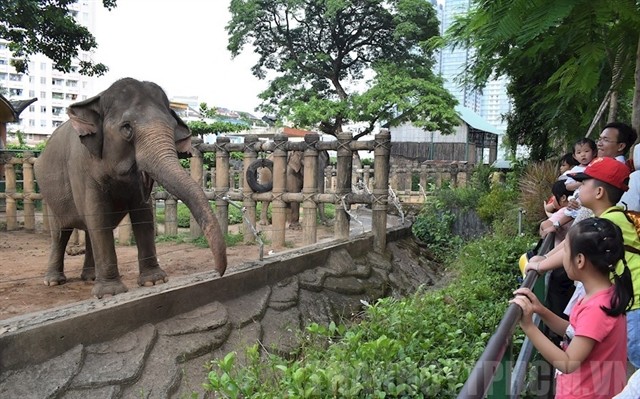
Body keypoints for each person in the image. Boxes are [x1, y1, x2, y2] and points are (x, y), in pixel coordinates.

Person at [525, 157, 640, 368]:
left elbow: (573, 248)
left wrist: (540, 266)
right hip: (628, 296)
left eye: (584, 182)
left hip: (636, 302)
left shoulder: (608, 222)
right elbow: (571, 243)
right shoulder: (607, 218)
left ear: (599, 192)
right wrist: (545, 258)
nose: (578, 188)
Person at [512, 217, 634, 398]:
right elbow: (574, 332)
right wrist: (541, 310)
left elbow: (568, 363)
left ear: (579, 260)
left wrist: (528, 327)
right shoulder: (604, 294)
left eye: (565, 251)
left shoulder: (597, 308)